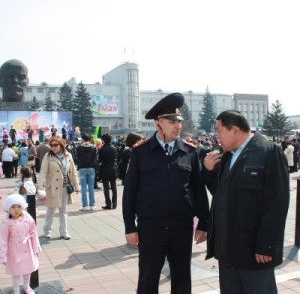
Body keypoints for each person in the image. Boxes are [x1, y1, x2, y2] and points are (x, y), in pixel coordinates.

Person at [122, 93, 209, 294]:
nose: (178, 126)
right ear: (157, 124)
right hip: (151, 227)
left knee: (182, 279)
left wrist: (204, 222)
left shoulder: (189, 151)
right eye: (171, 121)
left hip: (182, 227)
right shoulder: (140, 153)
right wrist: (129, 226)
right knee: (148, 278)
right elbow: (130, 192)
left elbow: (198, 189)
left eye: (179, 121)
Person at [202, 110, 290, 294]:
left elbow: (277, 204)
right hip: (227, 248)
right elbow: (220, 193)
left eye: (219, 131)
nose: (217, 137)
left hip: (254, 251)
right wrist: (208, 172)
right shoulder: (226, 157)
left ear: (234, 130)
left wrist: (267, 246)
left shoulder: (268, 152)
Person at [37, 136, 80, 240]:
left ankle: (64, 232)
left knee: (63, 210)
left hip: (65, 186)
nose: (53, 147)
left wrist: (76, 185)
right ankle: (47, 231)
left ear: (61, 145)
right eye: (51, 145)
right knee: (51, 208)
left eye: (56, 145)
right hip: (52, 186)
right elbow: (43, 172)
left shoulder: (68, 155)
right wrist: (40, 186)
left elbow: (73, 171)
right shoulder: (48, 156)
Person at [0, 194, 42, 294]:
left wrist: (35, 246)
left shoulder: (28, 218)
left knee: (27, 270)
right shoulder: (6, 222)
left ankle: (26, 286)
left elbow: (33, 232)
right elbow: (3, 239)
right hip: (14, 250)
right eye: (13, 207)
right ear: (8, 209)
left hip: (27, 248)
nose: (16, 210)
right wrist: (3, 255)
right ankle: (16, 290)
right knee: (16, 273)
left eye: (19, 206)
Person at [76, 133, 97, 211]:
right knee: (91, 186)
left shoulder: (79, 148)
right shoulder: (94, 147)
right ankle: (92, 205)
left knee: (83, 187)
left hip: (82, 167)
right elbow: (95, 158)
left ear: (83, 139)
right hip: (91, 168)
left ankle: (84, 205)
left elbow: (77, 157)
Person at [98, 133, 118, 210]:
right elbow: (116, 158)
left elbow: (100, 160)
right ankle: (115, 204)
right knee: (114, 187)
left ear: (103, 140)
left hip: (105, 169)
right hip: (113, 169)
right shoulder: (114, 148)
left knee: (106, 187)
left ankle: (108, 204)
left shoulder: (102, 149)